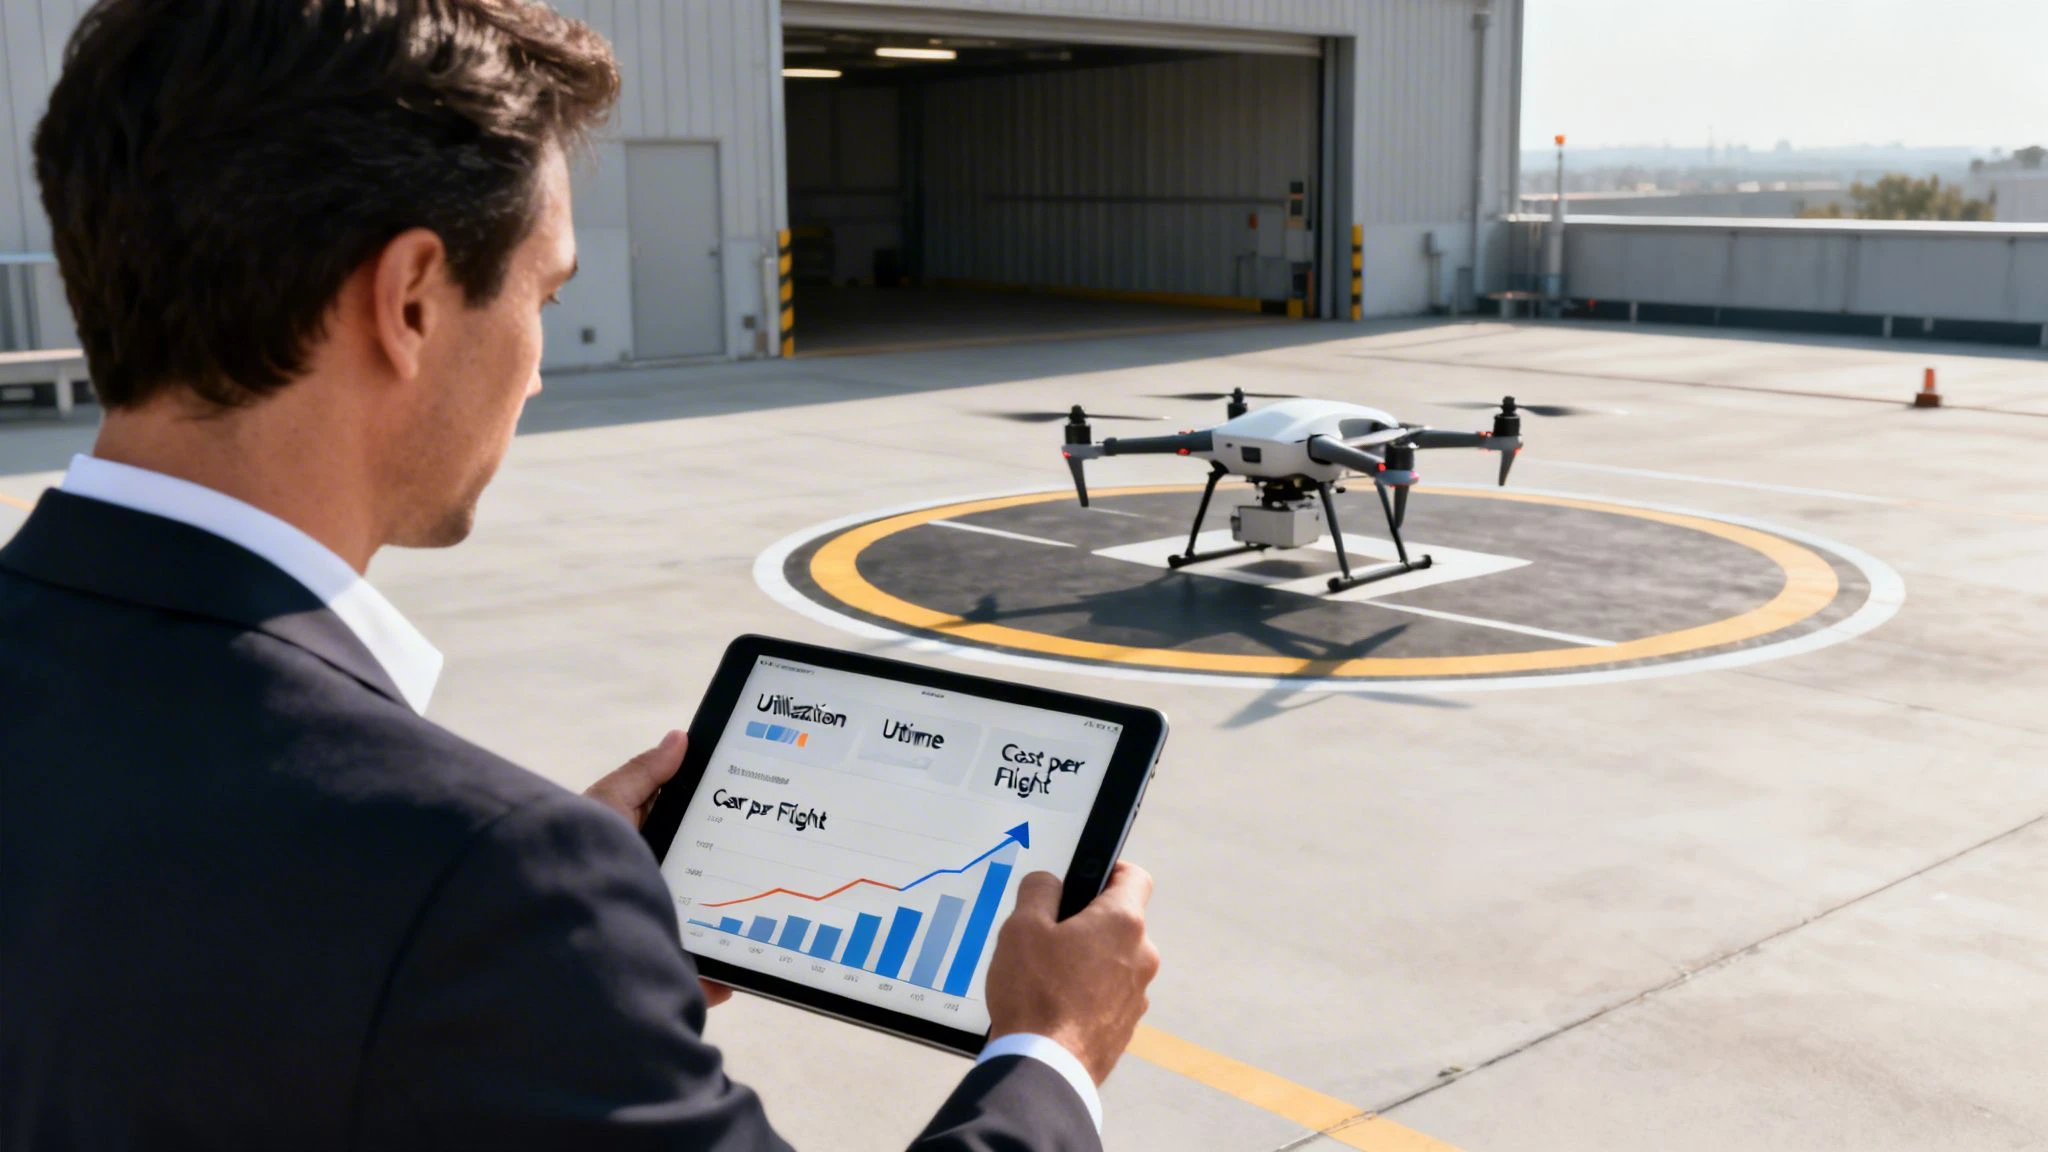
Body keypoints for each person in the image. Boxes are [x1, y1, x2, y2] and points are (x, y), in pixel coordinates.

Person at [0, 1, 1160, 1148]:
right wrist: (1049, 1049)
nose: (540, 370)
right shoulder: (491, 889)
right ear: (408, 302)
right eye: (543, 296)